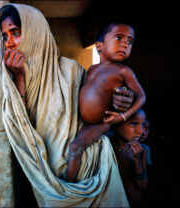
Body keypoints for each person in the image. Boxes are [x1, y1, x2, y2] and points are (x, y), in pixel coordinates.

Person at [0, 4, 133, 207]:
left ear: (36, 32)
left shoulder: (71, 70)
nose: (9, 43)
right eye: (5, 36)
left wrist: (121, 101)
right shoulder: (9, 75)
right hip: (43, 174)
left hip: (82, 170)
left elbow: (96, 110)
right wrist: (19, 77)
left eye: (16, 33)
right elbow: (21, 126)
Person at [66, 22, 146, 182]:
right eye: (119, 38)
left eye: (130, 41)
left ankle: (69, 186)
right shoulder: (92, 69)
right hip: (81, 121)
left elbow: (141, 97)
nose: (125, 44)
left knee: (75, 148)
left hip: (99, 123)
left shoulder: (123, 71)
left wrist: (122, 117)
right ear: (98, 46)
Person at [111, 109, 148, 208]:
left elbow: (142, 185)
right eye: (133, 124)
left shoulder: (141, 150)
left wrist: (137, 161)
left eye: (142, 125)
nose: (140, 131)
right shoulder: (106, 147)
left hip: (133, 201)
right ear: (116, 124)